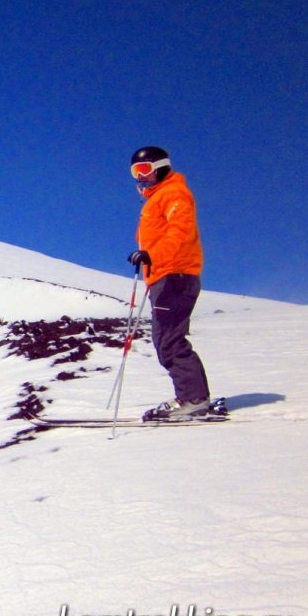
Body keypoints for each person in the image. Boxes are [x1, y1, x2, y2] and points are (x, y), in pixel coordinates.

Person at [126, 146, 213, 420]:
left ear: (161, 167)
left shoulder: (174, 194)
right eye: (135, 172)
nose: (141, 178)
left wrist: (153, 255)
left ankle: (193, 399)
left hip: (175, 275)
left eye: (145, 170)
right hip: (165, 276)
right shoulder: (156, 200)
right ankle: (193, 397)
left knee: (169, 340)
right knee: (166, 340)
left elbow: (180, 232)